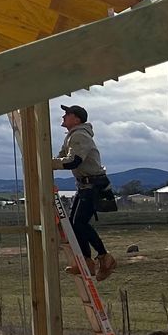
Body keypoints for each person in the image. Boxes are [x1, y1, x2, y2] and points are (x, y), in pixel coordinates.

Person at [56, 103, 117, 278]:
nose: (63, 117)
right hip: (85, 186)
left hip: (92, 186)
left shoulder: (79, 136)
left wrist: (48, 164)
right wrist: (50, 162)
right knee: (74, 225)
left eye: (67, 114)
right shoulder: (72, 136)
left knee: (78, 224)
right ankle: (87, 262)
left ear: (76, 118)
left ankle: (104, 257)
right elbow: (62, 157)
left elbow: (73, 161)